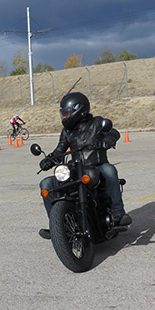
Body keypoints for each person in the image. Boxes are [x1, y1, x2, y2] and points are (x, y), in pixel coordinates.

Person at [37, 92, 131, 240]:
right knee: (46, 183)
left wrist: (109, 139)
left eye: (67, 114)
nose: (65, 117)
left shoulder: (97, 123)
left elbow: (114, 132)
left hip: (97, 167)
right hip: (75, 170)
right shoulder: (67, 132)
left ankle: (118, 213)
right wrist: (48, 160)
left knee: (109, 170)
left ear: (78, 110)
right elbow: (60, 150)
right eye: (63, 114)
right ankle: (57, 226)